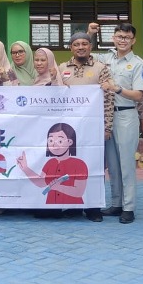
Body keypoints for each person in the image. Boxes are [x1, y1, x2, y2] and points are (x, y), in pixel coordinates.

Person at [86, 22, 143, 225]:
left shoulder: (138, 64)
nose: (123, 40)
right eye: (119, 36)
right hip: (106, 116)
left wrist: (117, 89)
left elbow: (139, 95)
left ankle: (129, 207)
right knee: (112, 164)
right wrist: (90, 34)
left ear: (133, 40)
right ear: (113, 37)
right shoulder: (106, 58)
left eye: (127, 38)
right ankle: (116, 203)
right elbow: (87, 54)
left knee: (126, 164)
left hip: (126, 116)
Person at [56, 32, 114, 222]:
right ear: (70, 47)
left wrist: (107, 127)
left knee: (94, 167)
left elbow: (108, 99)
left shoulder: (101, 68)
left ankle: (93, 207)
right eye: (76, 44)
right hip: (69, 129)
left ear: (90, 46)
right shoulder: (61, 68)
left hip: (93, 128)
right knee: (71, 166)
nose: (80, 47)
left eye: (84, 44)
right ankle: (73, 205)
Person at [17, 123, 89, 205]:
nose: (54, 145)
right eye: (50, 140)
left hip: (73, 207)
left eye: (60, 141)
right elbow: (41, 183)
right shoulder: (50, 163)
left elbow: (79, 192)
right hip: (51, 205)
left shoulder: (79, 164)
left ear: (70, 142)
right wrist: (25, 168)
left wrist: (58, 187)